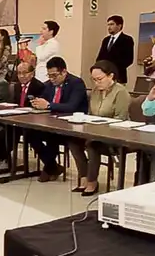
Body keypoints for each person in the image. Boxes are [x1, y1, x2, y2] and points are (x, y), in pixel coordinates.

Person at [68, 61, 131, 195]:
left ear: (111, 76)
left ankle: (92, 182)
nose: (96, 83)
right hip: (95, 131)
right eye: (94, 80)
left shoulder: (121, 92)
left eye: (100, 79)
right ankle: (84, 177)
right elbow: (91, 114)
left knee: (92, 146)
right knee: (73, 142)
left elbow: (121, 118)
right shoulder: (96, 91)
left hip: (115, 135)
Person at [29, 57, 88, 181]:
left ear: (64, 72)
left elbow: (72, 106)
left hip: (71, 126)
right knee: (31, 134)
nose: (51, 79)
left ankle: (49, 168)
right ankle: (52, 166)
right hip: (52, 123)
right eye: (49, 75)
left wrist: (49, 105)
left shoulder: (76, 83)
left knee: (52, 137)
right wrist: (37, 102)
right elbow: (43, 99)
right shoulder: (48, 85)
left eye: (54, 75)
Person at [96, 15, 135, 84]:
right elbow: (100, 57)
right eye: (108, 25)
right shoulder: (106, 40)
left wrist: (112, 69)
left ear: (119, 26)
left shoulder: (127, 39)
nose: (109, 27)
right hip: (103, 76)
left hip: (118, 76)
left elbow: (128, 59)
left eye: (111, 24)